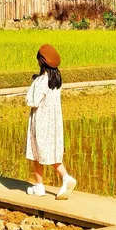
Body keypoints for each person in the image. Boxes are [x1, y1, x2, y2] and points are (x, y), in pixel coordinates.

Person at [25, 43, 76, 199]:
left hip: (40, 121)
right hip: (53, 122)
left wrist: (32, 84)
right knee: (51, 152)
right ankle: (65, 178)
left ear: (42, 61)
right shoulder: (57, 80)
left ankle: (41, 185)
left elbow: (32, 101)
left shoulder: (41, 81)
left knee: (36, 152)